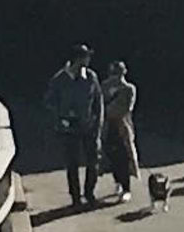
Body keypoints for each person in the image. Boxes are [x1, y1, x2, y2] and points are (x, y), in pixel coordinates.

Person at [45, 46, 104, 210]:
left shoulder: (91, 77)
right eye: (85, 57)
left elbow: (98, 101)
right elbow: (49, 102)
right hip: (69, 128)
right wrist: (62, 116)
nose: (88, 60)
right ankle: (75, 197)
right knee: (73, 163)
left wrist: (98, 124)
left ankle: (89, 193)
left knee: (93, 161)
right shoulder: (59, 79)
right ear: (77, 59)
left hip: (88, 127)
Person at [98, 58, 143, 208]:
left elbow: (124, 108)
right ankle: (117, 181)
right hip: (107, 127)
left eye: (118, 73)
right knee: (110, 155)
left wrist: (107, 110)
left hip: (122, 127)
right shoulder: (103, 87)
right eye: (113, 73)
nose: (115, 76)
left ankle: (126, 187)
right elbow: (98, 105)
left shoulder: (129, 89)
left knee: (124, 157)